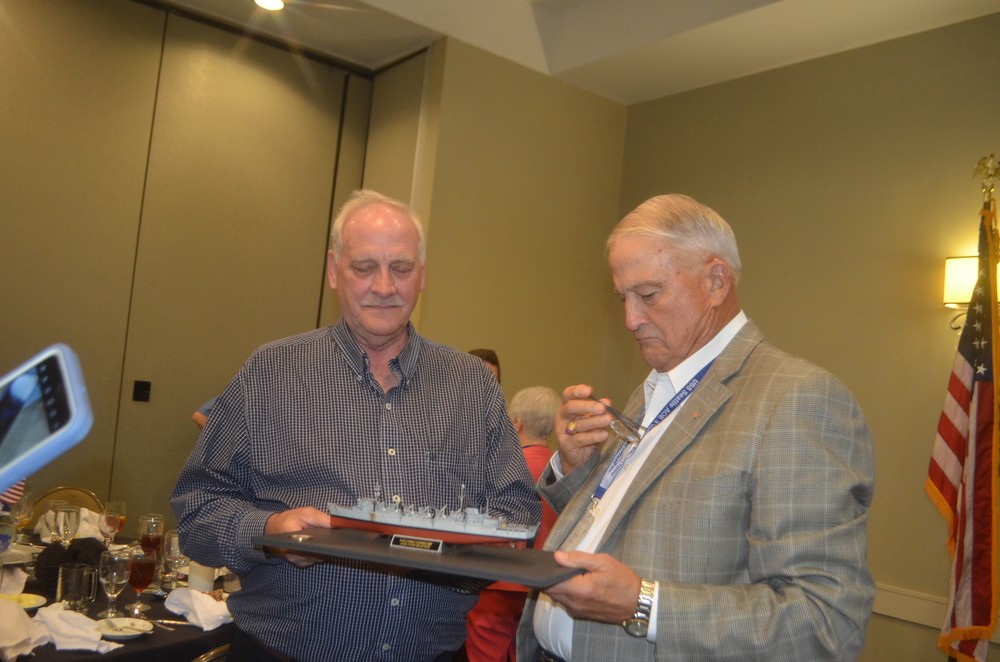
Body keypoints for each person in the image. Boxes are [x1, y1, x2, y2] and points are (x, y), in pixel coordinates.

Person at [171, 190, 541, 662]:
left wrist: (450, 560)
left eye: (401, 268)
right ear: (333, 270)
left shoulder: (473, 386)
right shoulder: (269, 373)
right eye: (364, 267)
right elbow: (197, 510)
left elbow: (516, 515)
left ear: (422, 276)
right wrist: (270, 531)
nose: (384, 286)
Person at [517, 194, 875, 661]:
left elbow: (824, 622)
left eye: (648, 295)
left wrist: (645, 604)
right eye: (623, 298)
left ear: (716, 281)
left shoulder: (796, 398)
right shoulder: (653, 390)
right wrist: (576, 468)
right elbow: (630, 524)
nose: (630, 320)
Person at [465, 386, 561, 662]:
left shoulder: (507, 469)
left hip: (500, 581)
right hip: (541, 584)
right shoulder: (562, 471)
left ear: (516, 423)